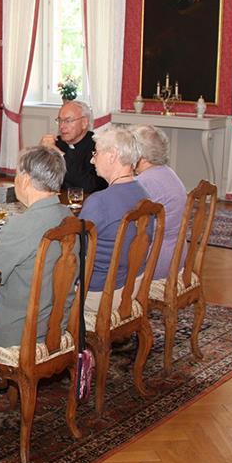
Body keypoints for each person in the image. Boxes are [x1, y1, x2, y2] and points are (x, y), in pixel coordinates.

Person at [0, 145, 74, 348]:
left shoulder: (22, 225)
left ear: (24, 179)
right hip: (54, 324)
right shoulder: (69, 218)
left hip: (12, 331)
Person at [79, 126, 151, 321]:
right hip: (132, 286)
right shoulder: (145, 194)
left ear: (112, 155)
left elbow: (72, 252)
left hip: (98, 295)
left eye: (96, 153)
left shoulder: (99, 202)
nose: (92, 159)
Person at [132, 124, 187, 280]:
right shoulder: (168, 172)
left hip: (154, 263)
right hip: (175, 257)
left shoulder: (144, 182)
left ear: (139, 155)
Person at [40, 101, 107, 194]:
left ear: (84, 122)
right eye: (60, 120)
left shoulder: (99, 146)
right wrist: (41, 153)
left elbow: (89, 186)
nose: (62, 126)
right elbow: (38, 178)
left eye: (68, 121)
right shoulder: (56, 143)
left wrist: (58, 154)